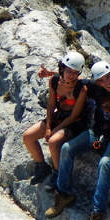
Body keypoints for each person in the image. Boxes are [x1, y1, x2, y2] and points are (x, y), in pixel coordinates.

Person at [45, 60, 110, 220]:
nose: (106, 82)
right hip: (95, 132)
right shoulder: (92, 87)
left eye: (108, 77)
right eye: (101, 80)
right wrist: (50, 73)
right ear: (97, 82)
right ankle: (63, 194)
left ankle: (97, 215)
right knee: (67, 148)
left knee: (105, 163)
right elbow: (72, 79)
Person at [22, 51, 88, 190]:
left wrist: (54, 130)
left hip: (74, 123)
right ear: (62, 69)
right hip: (59, 117)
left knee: (53, 142)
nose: (71, 75)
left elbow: (74, 116)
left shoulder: (81, 89)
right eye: (68, 71)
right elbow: (51, 105)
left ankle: (58, 173)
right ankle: (41, 165)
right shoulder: (54, 81)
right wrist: (48, 127)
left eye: (75, 72)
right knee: (28, 137)